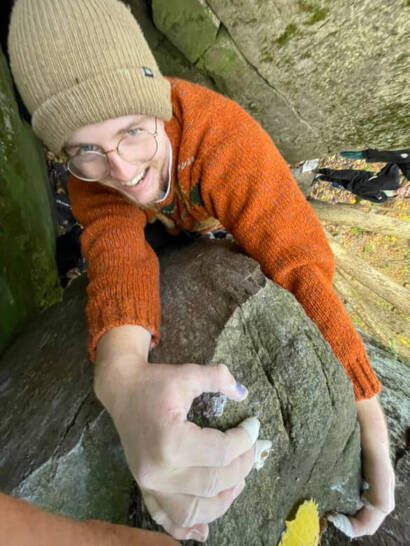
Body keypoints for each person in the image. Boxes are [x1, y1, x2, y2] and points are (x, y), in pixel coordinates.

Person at [6, 0, 395, 543]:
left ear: (158, 104)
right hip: (178, 230)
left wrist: (369, 420)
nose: (120, 170)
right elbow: (117, 250)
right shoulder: (91, 178)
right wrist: (120, 381)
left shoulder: (223, 140)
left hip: (215, 224)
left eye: (134, 132)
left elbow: (298, 262)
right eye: (85, 149)